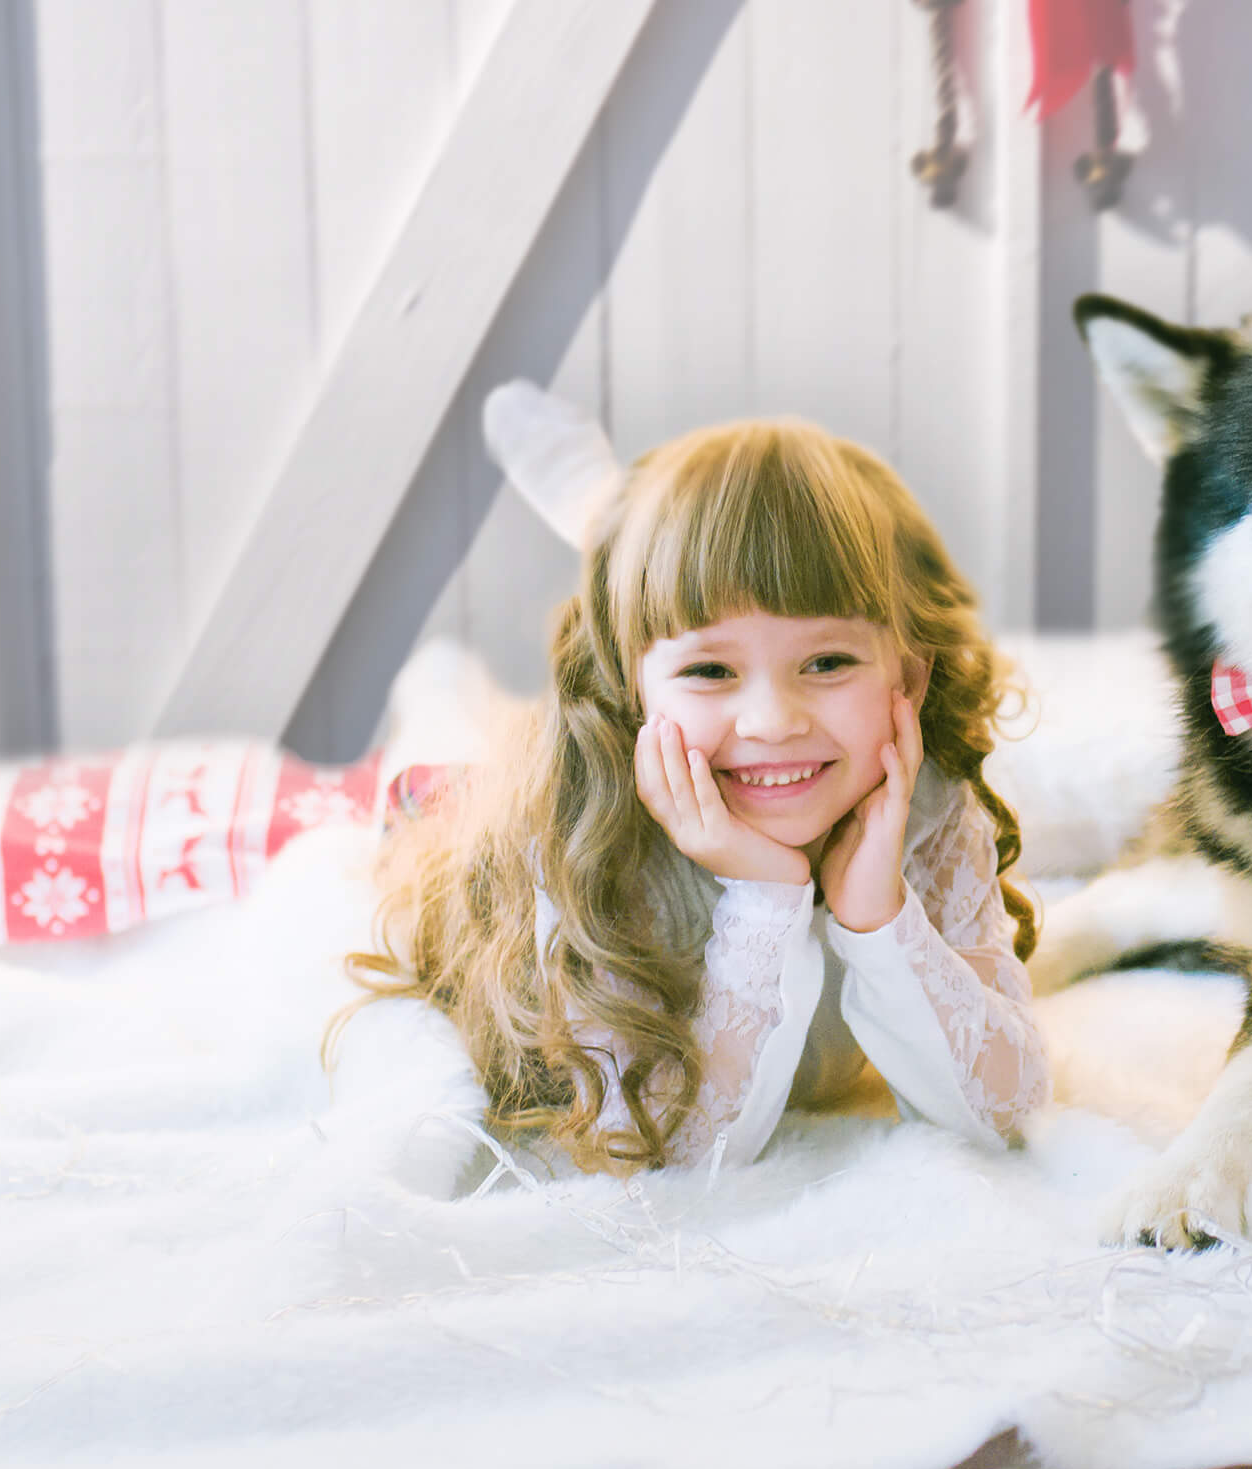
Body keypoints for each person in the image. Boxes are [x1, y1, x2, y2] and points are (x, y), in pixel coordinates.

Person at [346, 417, 1049, 1173]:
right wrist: (765, 895)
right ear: (629, 689)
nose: (774, 721)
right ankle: (455, 670)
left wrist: (880, 917)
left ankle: (615, 524)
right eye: (711, 671)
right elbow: (669, 1152)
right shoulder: (582, 838)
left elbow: (1005, 1111)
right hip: (442, 812)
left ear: (905, 677)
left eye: (828, 660)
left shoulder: (926, 807)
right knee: (437, 765)